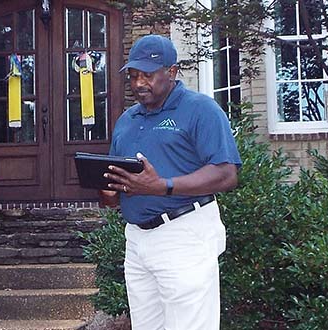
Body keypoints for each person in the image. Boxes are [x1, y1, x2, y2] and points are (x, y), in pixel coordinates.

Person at [100, 34, 242, 330]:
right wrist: (110, 191)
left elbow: (227, 174)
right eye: (134, 76)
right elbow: (119, 183)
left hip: (184, 234)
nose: (139, 83)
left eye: (148, 75)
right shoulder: (127, 119)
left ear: (172, 72)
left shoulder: (201, 109)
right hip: (137, 239)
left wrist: (162, 185)